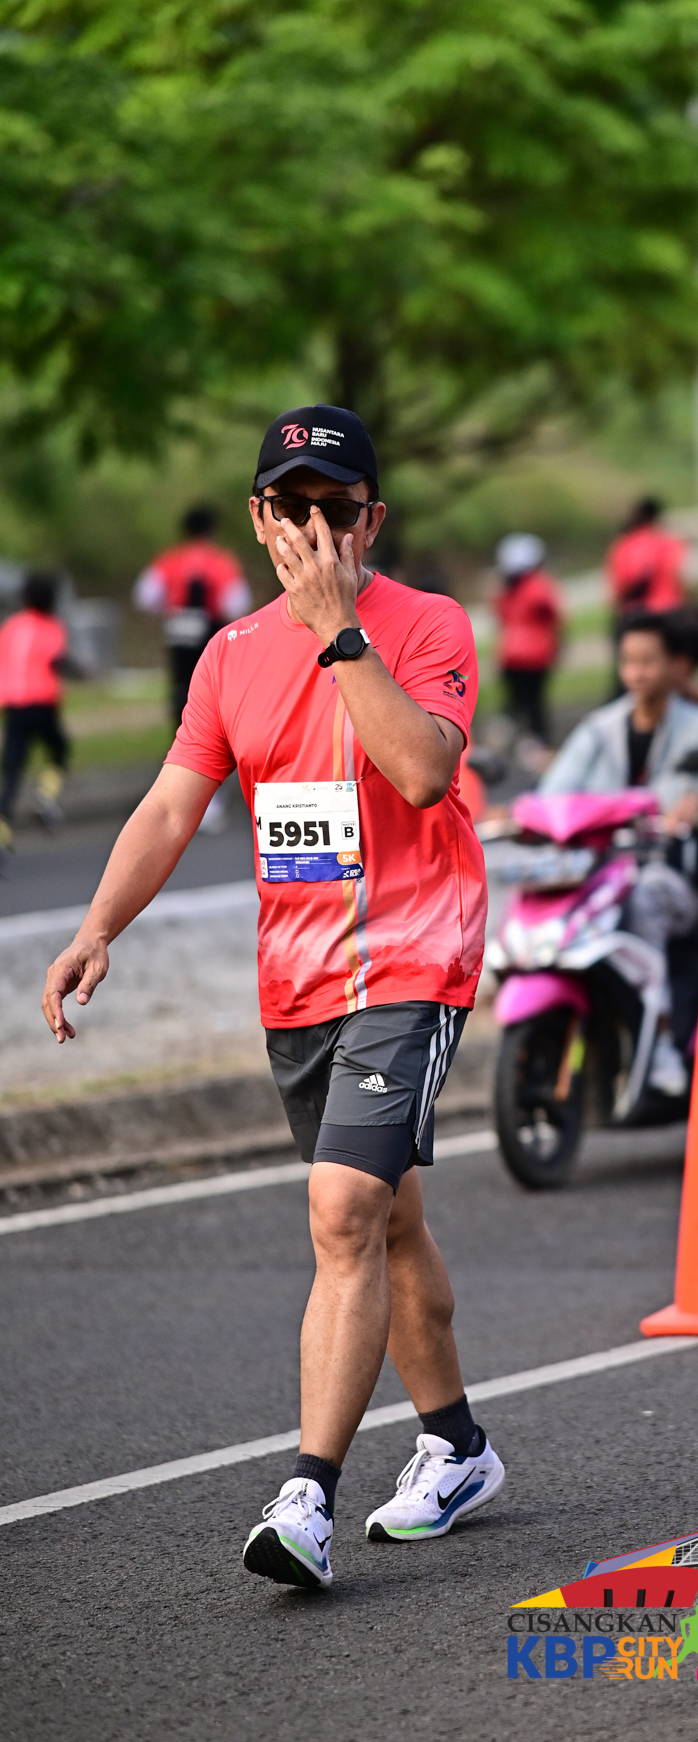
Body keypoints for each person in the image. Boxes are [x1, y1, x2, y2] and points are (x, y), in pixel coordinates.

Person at [43, 405, 502, 1588]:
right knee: (387, 1220)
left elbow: (423, 771)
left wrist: (341, 632)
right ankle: (457, 1449)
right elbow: (170, 803)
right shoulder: (229, 656)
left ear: (371, 521)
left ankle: (306, 1497)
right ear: (258, 519)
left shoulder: (427, 625)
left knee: (342, 1211)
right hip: (299, 976)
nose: (313, 528)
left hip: (415, 956)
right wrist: (97, 927)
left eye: (335, 509)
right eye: (291, 507)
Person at [538, 610, 698, 1089]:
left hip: (672, 875)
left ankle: (660, 1042)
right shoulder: (599, 730)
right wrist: (526, 816)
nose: (636, 673)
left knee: (647, 899)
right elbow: (554, 793)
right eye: (627, 661)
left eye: (647, 661)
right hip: (603, 874)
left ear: (677, 665)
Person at [133, 505, 253, 728]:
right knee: (210, 682)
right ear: (212, 530)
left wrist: (168, 608)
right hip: (209, 628)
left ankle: (180, 729)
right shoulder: (220, 561)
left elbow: (145, 596)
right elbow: (237, 603)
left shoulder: (170, 559)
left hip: (178, 627)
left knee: (181, 681)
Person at [0, 571, 73, 849]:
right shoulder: (51, 627)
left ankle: (3, 836)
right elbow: (56, 660)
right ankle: (45, 794)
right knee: (59, 750)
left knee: (12, 771)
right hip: (42, 703)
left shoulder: (11, 626)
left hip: (13, 706)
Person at [491, 533, 562, 745]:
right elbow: (553, 615)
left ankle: (515, 736)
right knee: (534, 703)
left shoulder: (506, 590)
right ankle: (536, 741)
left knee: (517, 702)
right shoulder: (538, 586)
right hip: (535, 655)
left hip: (511, 655)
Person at [605, 496, 686, 620]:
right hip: (669, 612)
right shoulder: (668, 542)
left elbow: (617, 591)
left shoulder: (623, 546)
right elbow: (679, 575)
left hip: (635, 616)